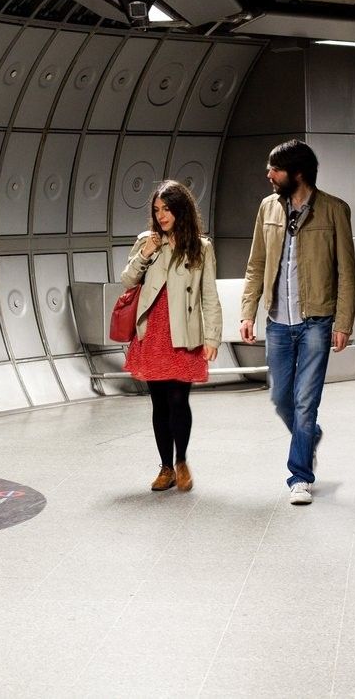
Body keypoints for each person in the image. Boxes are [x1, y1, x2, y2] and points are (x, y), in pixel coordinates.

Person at [239, 139, 355, 506]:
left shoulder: (335, 210)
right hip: (278, 321)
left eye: (275, 169)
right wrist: (248, 310)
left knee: (305, 402)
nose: (269, 175)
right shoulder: (268, 208)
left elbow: (346, 273)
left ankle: (300, 476)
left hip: (317, 321)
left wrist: (343, 322)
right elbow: (256, 264)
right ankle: (309, 436)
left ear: (298, 173)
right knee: (280, 397)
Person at [120, 180, 221, 493]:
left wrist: (213, 337)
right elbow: (126, 280)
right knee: (160, 403)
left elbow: (209, 295)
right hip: (152, 331)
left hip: (185, 332)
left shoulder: (200, 247)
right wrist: (145, 254)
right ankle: (165, 467)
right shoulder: (146, 242)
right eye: (157, 210)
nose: (161, 215)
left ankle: (181, 460)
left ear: (181, 210)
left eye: (167, 209)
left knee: (180, 400)